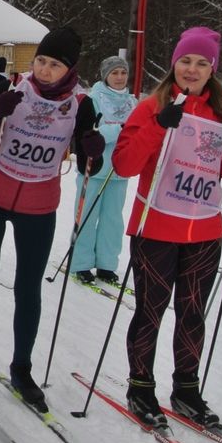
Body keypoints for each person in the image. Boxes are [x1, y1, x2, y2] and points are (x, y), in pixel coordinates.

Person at [112, 27, 222, 429]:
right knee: (150, 310)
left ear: (212, 69)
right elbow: (125, 165)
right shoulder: (151, 106)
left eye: (202, 63)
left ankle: (186, 388)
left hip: (203, 231)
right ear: (174, 63)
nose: (192, 69)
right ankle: (140, 384)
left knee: (193, 313)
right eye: (186, 60)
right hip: (155, 226)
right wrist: (158, 126)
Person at [0, 26, 105, 413]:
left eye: (54, 65)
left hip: (39, 201)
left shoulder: (81, 104)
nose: (45, 70)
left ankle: (22, 368)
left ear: (69, 70)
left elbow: (89, 164)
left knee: (28, 288)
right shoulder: (14, 87)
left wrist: (92, 150)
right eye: (42, 61)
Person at [73, 56, 137, 284]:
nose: (119, 78)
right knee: (87, 217)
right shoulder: (93, 99)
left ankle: (107, 264)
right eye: (114, 73)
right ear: (105, 75)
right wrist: (118, 130)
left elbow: (138, 132)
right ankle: (80, 262)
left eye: (123, 73)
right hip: (94, 167)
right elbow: (87, 133)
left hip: (119, 170)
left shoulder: (133, 102)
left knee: (113, 220)